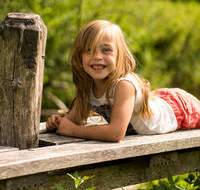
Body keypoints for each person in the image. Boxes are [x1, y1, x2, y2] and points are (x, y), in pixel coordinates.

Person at [46, 20, 200, 142]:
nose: (97, 56)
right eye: (89, 50)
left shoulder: (123, 85)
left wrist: (73, 131)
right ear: (79, 57)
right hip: (159, 99)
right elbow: (76, 118)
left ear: (120, 55)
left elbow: (115, 133)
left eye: (106, 50)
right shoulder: (88, 83)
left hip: (178, 111)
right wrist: (58, 123)